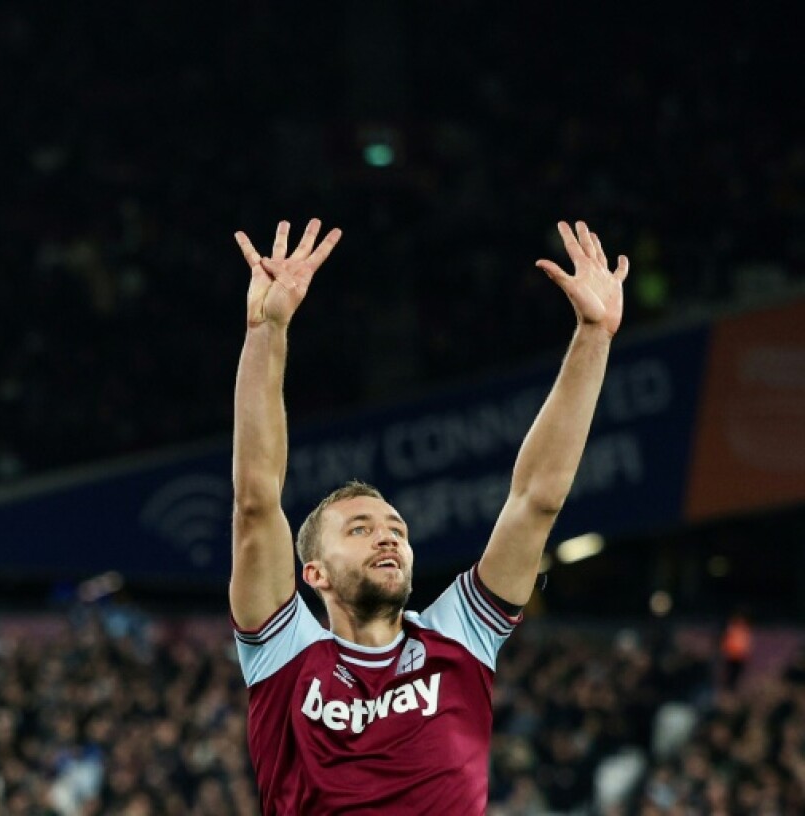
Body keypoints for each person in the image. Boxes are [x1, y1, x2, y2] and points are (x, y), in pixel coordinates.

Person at [229, 218, 629, 814]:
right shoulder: (284, 651)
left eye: (396, 529)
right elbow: (257, 500)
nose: (387, 538)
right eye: (360, 529)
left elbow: (536, 499)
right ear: (313, 572)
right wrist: (268, 331)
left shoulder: (460, 637)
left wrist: (594, 336)